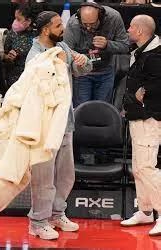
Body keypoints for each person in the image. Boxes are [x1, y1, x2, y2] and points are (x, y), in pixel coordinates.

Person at [26, 11, 92, 240]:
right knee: (43, 177)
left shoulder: (63, 46)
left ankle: (56, 214)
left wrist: (84, 61)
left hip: (66, 123)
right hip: (45, 126)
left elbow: (83, 70)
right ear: (45, 29)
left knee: (64, 176)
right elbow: (39, 90)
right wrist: (59, 66)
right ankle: (38, 222)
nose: (62, 29)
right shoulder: (35, 56)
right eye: (57, 26)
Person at [120, 15, 161, 236]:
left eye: (130, 27)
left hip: (149, 117)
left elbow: (154, 87)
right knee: (138, 168)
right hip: (138, 116)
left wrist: (139, 100)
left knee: (147, 167)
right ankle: (145, 211)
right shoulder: (142, 50)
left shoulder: (156, 55)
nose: (127, 30)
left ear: (140, 31)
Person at [63, 1, 129, 107]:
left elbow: (125, 46)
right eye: (85, 24)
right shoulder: (73, 24)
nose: (88, 27)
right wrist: (79, 58)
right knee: (82, 110)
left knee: (101, 110)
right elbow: (65, 52)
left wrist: (108, 44)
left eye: (92, 24)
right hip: (82, 74)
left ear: (100, 15)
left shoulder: (113, 18)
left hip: (106, 71)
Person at [4, 3, 39, 87]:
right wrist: (8, 57)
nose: (15, 22)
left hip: (33, 78)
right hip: (15, 80)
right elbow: (4, 54)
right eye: (15, 18)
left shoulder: (38, 34)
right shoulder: (12, 33)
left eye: (18, 19)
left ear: (29, 21)